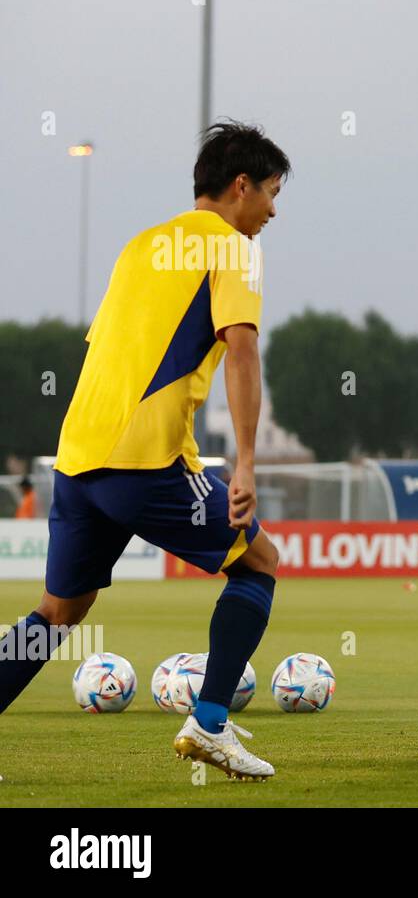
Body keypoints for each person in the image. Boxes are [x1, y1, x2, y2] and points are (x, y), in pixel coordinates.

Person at [0, 121, 287, 781]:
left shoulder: (139, 246)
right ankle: (209, 723)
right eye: (271, 192)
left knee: (59, 611)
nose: (272, 210)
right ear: (240, 186)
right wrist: (245, 462)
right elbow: (241, 347)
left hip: (77, 457)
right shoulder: (234, 247)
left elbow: (107, 347)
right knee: (260, 563)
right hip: (146, 457)